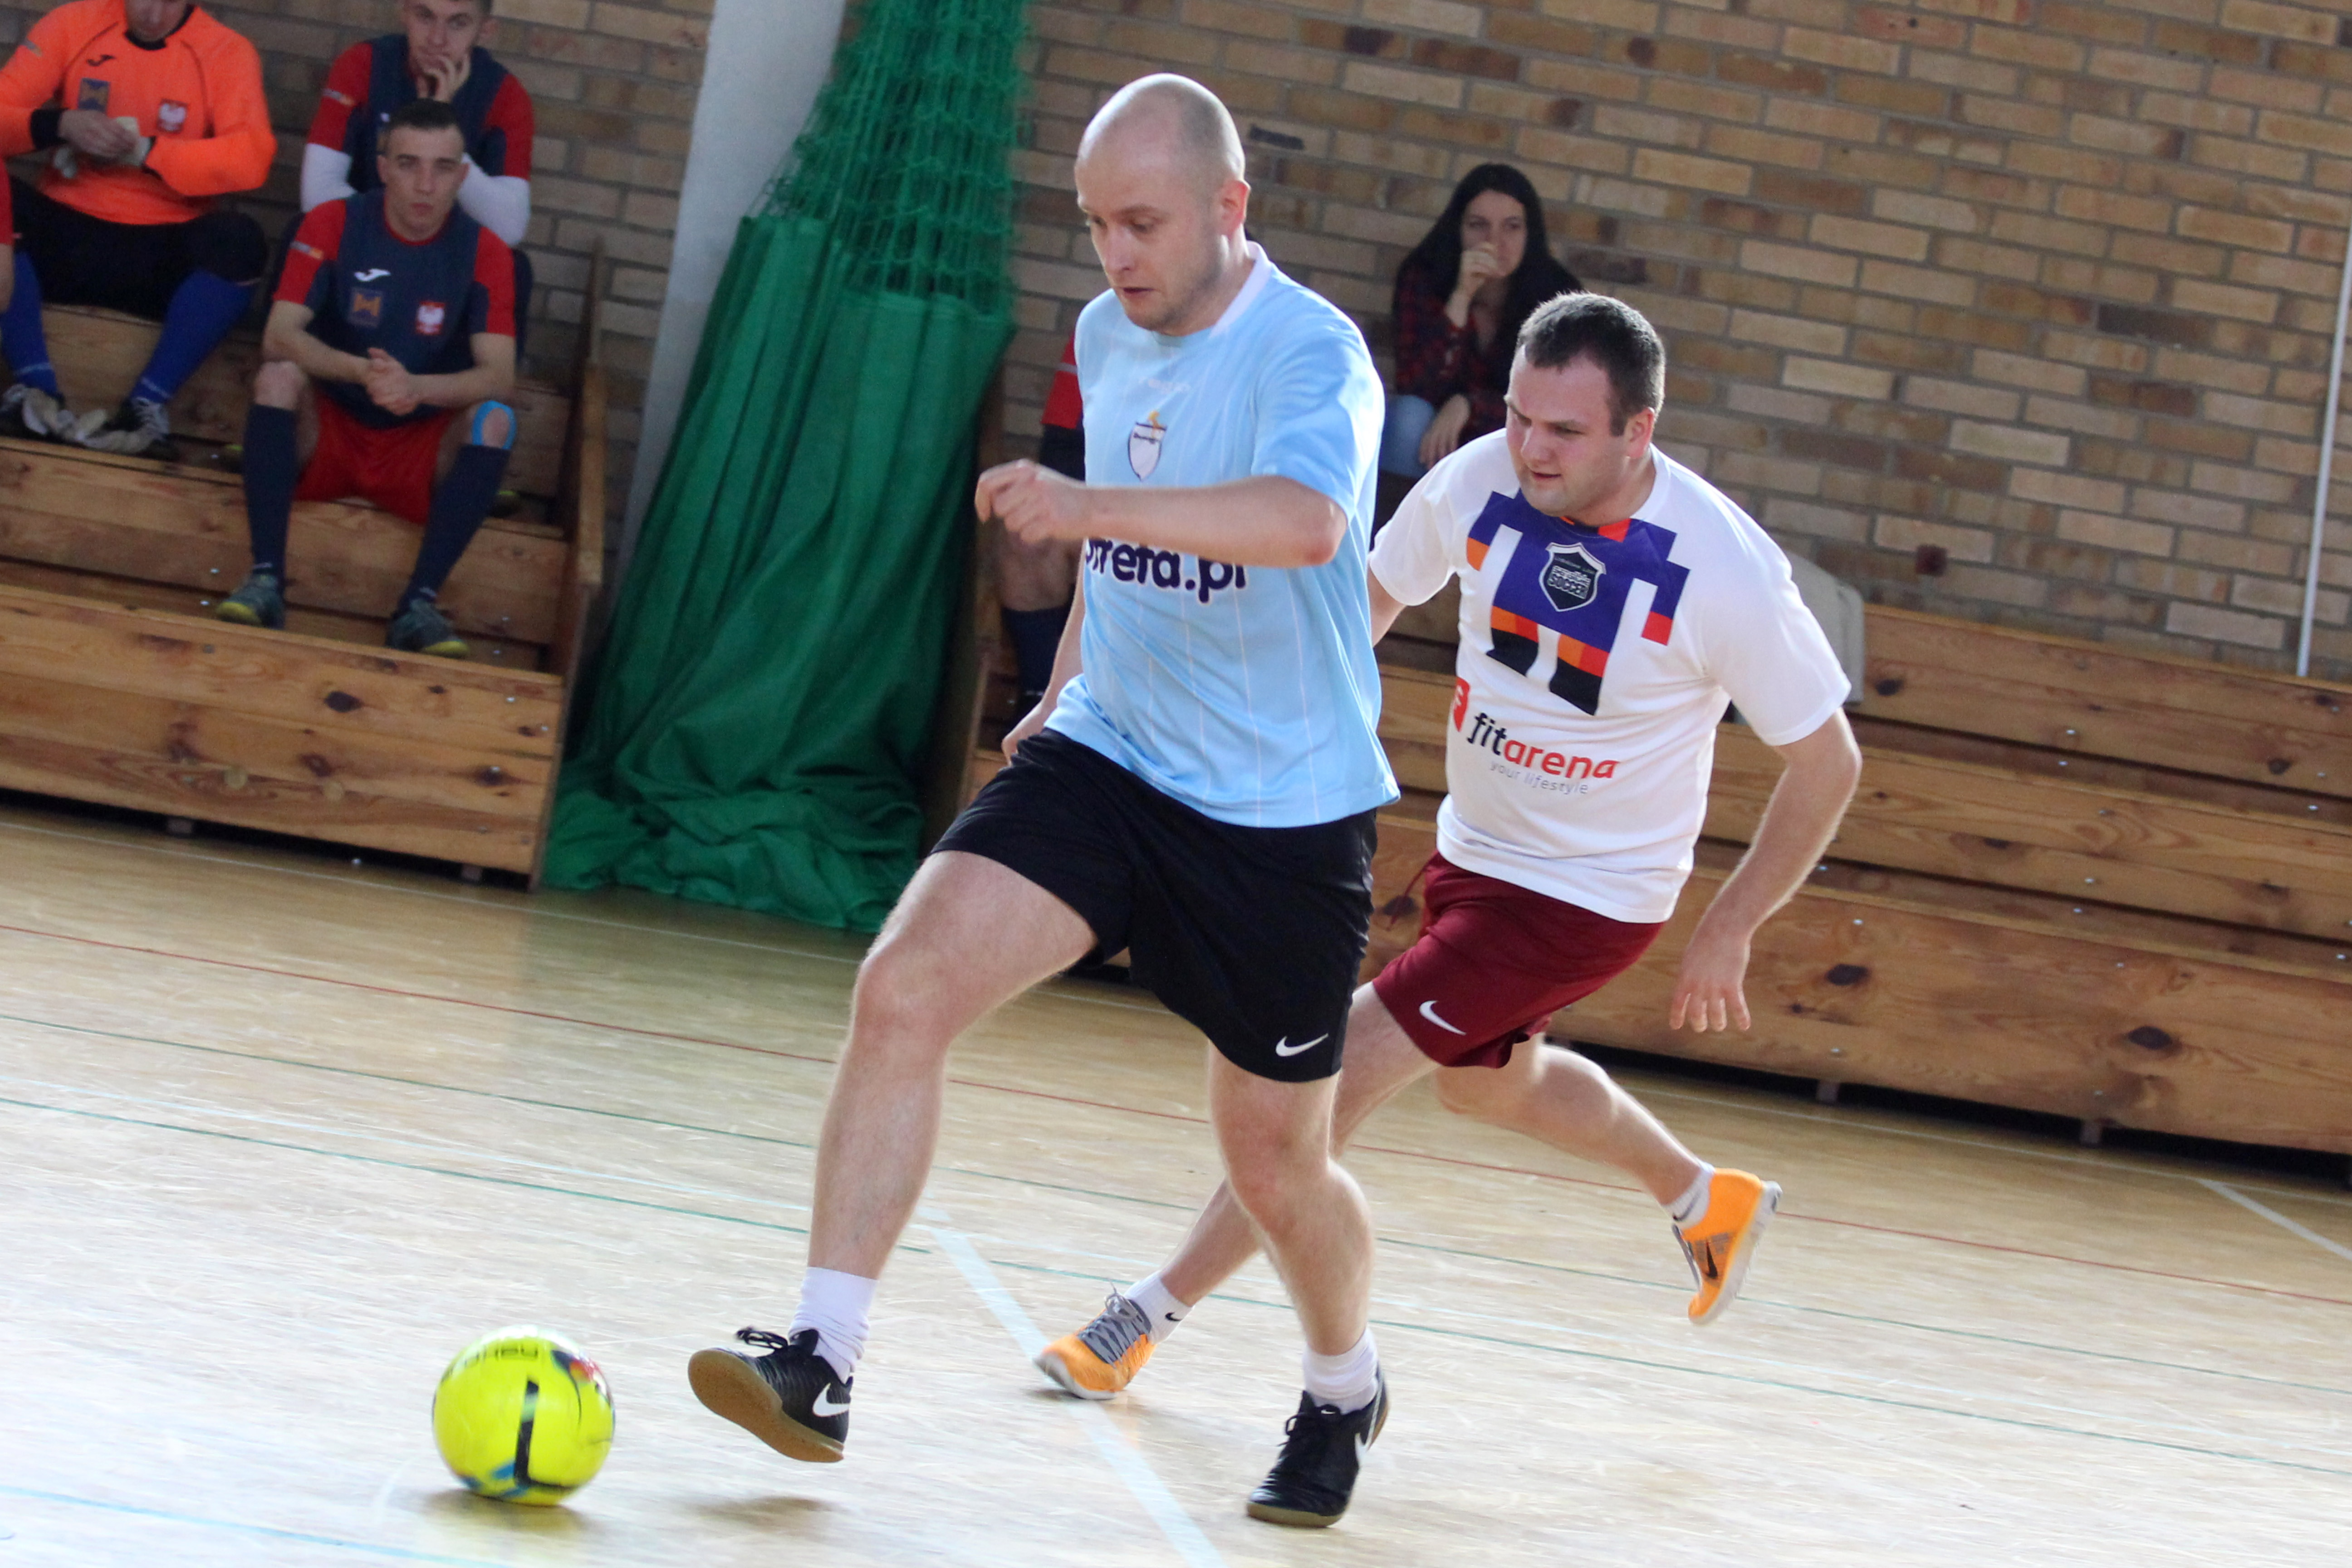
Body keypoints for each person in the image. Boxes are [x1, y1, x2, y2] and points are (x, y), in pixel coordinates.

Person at [686, 74, 1401, 1530]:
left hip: (1279, 817)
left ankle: (1343, 1385)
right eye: (1094, 226)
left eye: (1143, 223)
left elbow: (1303, 521)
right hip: (1112, 755)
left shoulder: (1313, 353)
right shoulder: (1104, 333)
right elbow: (1123, 558)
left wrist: (1081, 511)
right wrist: (1059, 691)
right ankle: (822, 1356)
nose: (1115, 255)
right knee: (902, 989)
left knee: (1276, 1161)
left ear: (1230, 207)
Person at [1034, 294, 1862, 1410]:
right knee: (1488, 1086)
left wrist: (1730, 927)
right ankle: (1702, 1198)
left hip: (1585, 898)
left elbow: (1828, 763)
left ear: (1640, 431)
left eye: (1564, 431)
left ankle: (1143, 1315)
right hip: (1475, 854)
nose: (1531, 447)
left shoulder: (1725, 569)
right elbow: (1362, 607)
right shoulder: (1480, 478)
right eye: (1519, 416)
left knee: (1327, 1085)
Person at [213, 99, 518, 660]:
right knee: (278, 377)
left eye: (443, 167)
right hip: (331, 427)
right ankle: (265, 580)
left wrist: (417, 389)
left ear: (462, 175)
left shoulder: (486, 250)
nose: (425, 185)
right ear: (382, 168)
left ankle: (419, 605)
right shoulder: (333, 222)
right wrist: (362, 372)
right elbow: (279, 337)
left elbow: (499, 377)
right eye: (408, 164)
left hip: (418, 441)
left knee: (496, 419)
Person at [0, 0, 273, 457]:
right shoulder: (75, 23)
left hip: (160, 256)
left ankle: (145, 408)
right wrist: (60, 124)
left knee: (240, 239)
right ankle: (36, 394)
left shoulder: (226, 50)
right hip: (64, 239)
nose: (153, 14)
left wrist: (147, 153)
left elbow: (252, 158)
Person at [302, 0, 534, 337]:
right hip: (361, 243)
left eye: (458, 23)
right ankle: (296, 358)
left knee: (515, 268)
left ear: (485, 30)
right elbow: (316, 194)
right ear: (404, 13)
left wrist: (440, 120)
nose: (437, 39)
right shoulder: (365, 63)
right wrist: (397, 236)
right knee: (301, 230)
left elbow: (509, 228)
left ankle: (481, 373)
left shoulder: (505, 93)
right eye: (425, 16)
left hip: (446, 258)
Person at [1382, 163, 1581, 481]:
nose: (1494, 241)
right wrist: (1461, 297)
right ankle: (1396, 513)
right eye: (1478, 226)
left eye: (1512, 227)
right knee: (1408, 416)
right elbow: (1415, 385)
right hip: (1433, 437)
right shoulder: (1425, 276)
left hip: (1507, 433)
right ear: (1458, 229)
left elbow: (1553, 404)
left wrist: (1469, 405)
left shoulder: (1558, 295)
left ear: (1530, 234)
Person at [999, 328, 1083, 709]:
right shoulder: (1104, 325)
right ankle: (1040, 698)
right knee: (1029, 530)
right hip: (1101, 509)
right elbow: (1062, 463)